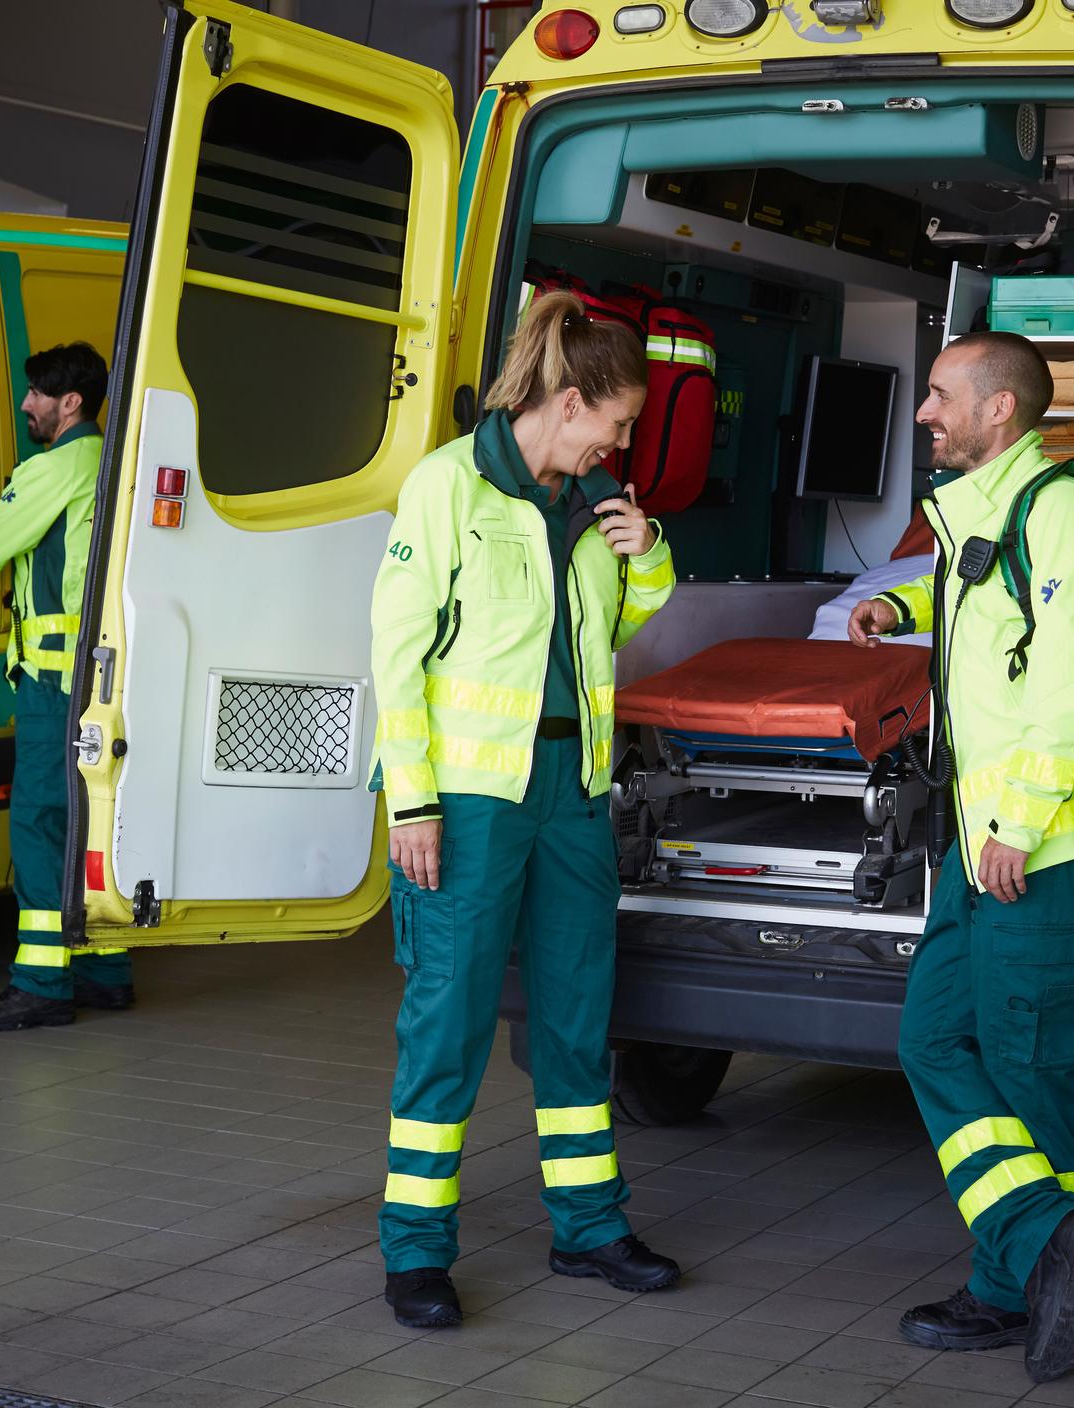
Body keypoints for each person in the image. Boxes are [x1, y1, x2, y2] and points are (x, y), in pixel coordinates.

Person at [368, 290, 678, 1329]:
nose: (625, 440)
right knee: (447, 1019)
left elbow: (617, 631)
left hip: (573, 794)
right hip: (468, 797)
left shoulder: (591, 507)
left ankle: (589, 1226)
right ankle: (414, 1251)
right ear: (574, 400)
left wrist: (650, 552)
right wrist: (410, 801)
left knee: (577, 1015)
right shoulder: (447, 487)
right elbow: (396, 658)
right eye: (621, 420)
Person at [848, 332, 1074, 1384]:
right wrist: (896, 603)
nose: (924, 413)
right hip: (982, 842)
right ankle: (1045, 1238)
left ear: (998, 411)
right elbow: (974, 601)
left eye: (938, 396)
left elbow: (1070, 681)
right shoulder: (987, 515)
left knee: (1026, 1069)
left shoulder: (1057, 513)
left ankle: (1019, 1282)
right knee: (932, 1040)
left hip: (1036, 842)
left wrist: (1017, 818)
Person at [0, 343, 135, 1031]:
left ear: (70, 403)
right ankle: (106, 969)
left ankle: (43, 982)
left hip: (55, 682)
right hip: (104, 674)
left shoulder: (59, 466)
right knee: (94, 821)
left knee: (40, 823)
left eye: (35, 394)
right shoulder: (115, 459)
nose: (26, 405)